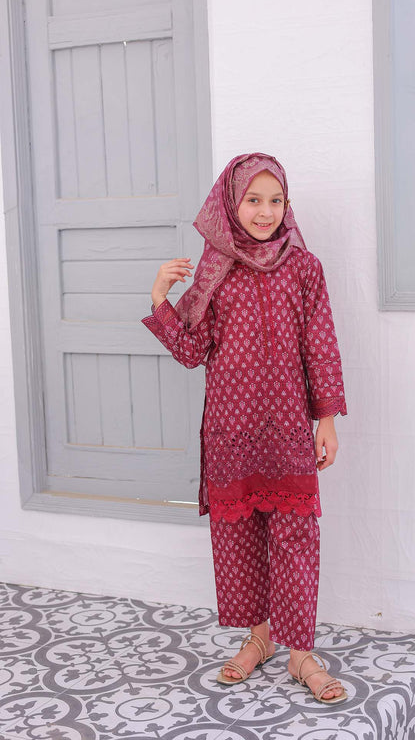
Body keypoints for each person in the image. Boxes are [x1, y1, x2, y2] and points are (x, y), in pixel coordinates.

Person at [141, 152, 348, 704]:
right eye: (253, 200)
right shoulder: (215, 268)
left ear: (287, 205)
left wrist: (325, 419)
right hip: (231, 430)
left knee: (296, 536)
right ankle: (259, 638)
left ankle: (300, 652)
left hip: (287, 429)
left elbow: (320, 346)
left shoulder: (305, 268)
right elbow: (191, 351)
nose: (265, 211)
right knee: (243, 537)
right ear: (230, 204)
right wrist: (161, 297)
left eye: (275, 200)